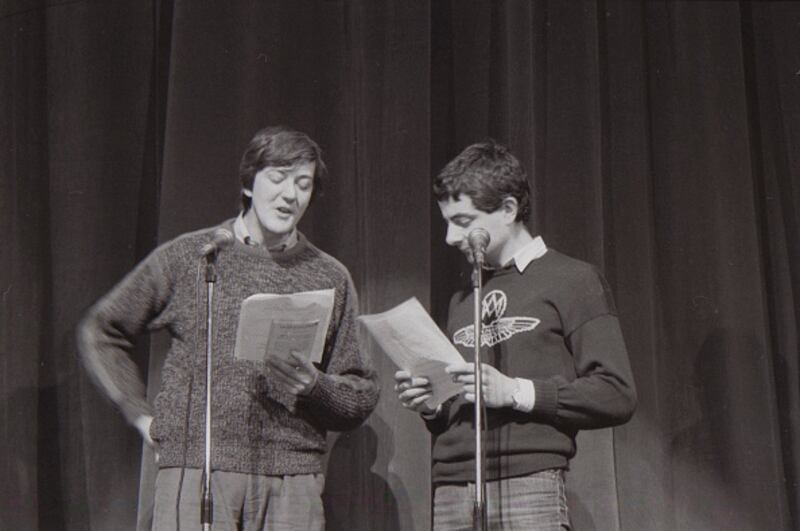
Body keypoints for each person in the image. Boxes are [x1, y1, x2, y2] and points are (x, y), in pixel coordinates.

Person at [78, 125, 379, 530]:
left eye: (303, 184)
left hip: (291, 480)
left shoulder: (330, 276)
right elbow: (101, 331)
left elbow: (360, 394)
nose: (290, 194)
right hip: (197, 468)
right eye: (278, 178)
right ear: (250, 183)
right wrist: (140, 415)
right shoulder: (195, 255)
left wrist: (315, 386)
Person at [394, 141, 637, 530]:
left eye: (463, 221)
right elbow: (453, 415)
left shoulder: (573, 280)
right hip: (451, 489)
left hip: (528, 485)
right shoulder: (463, 297)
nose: (450, 237)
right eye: (447, 222)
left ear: (508, 209)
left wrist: (515, 392)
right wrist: (431, 404)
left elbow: (616, 392)